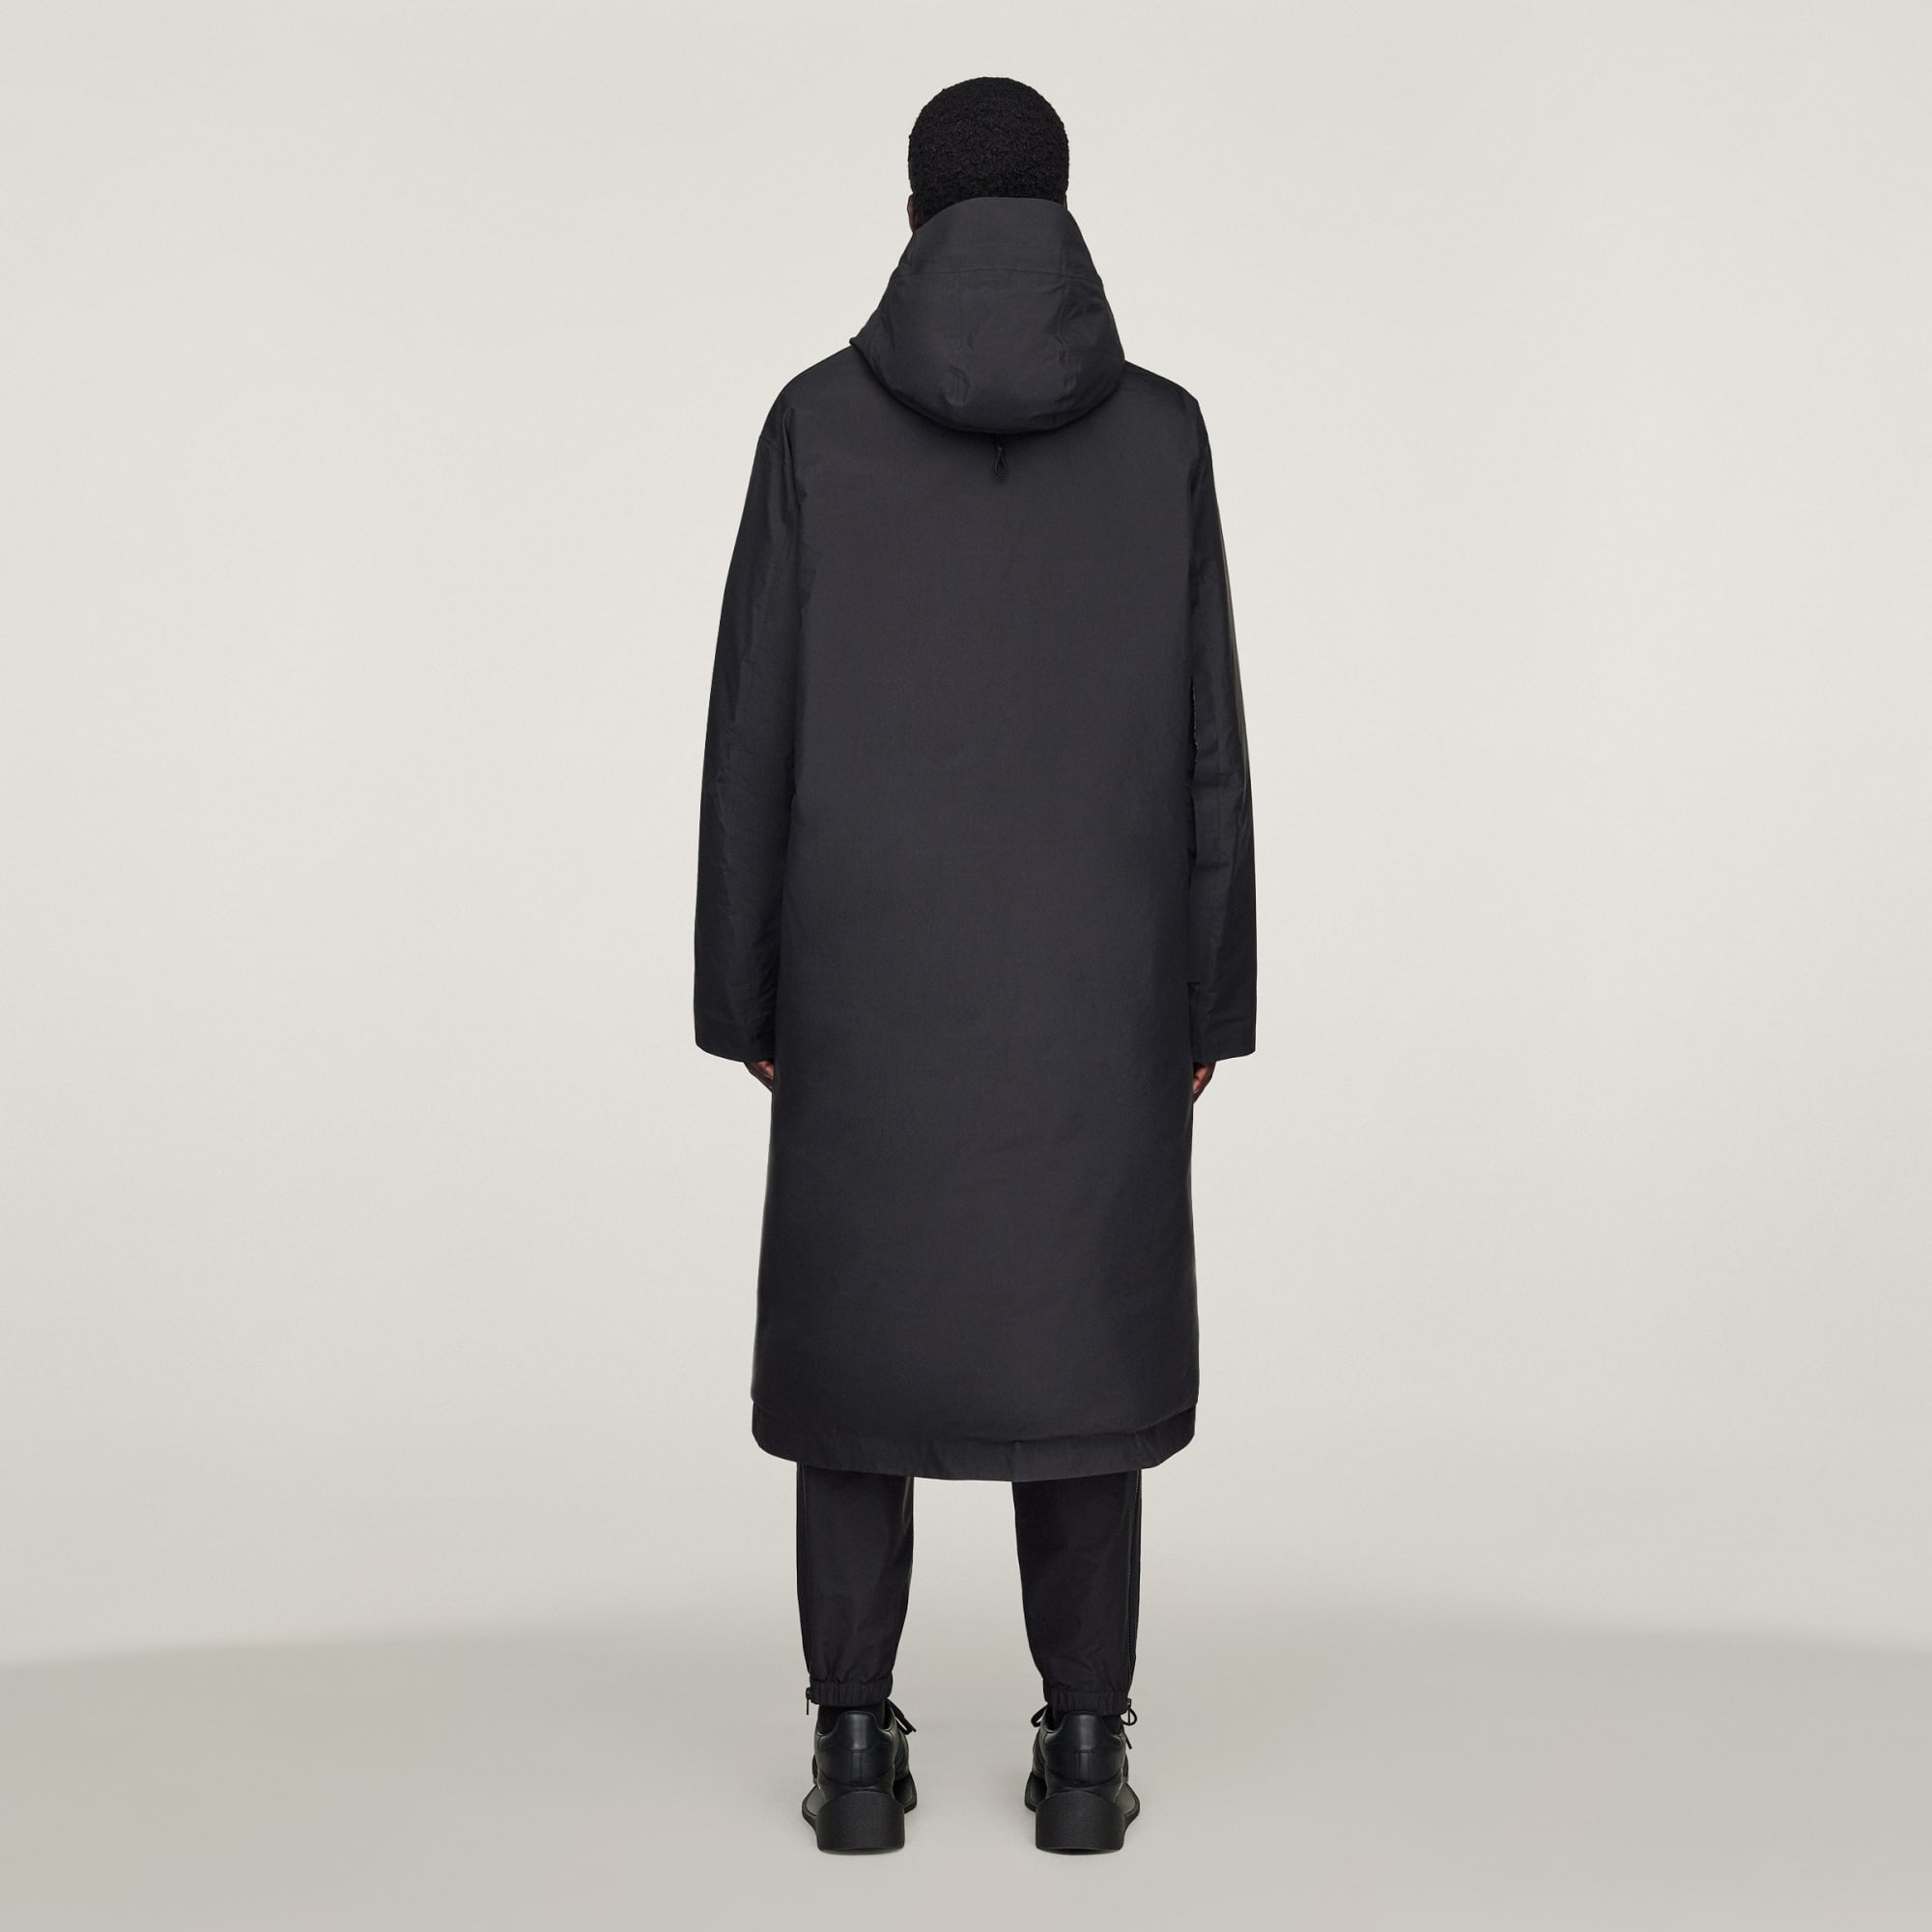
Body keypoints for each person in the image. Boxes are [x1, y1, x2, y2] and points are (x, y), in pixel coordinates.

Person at [693, 75, 1256, 1855]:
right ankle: (1083, 1755)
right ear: (1061, 212)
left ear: (915, 212)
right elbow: (1208, 745)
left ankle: (855, 1753)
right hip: (1100, 988)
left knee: (859, 1353)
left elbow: (754, 726)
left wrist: (747, 994)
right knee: (1076, 1354)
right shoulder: (1163, 435)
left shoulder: (813, 424)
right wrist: (1206, 999)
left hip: (866, 979)